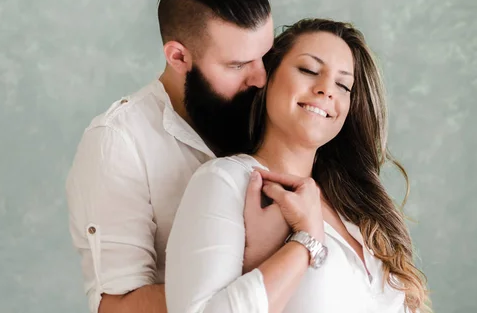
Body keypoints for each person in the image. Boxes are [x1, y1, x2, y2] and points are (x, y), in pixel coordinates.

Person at [165, 18, 431, 313]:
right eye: (309, 70)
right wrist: (305, 242)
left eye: (343, 85)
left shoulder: (357, 210)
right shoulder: (226, 182)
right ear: (269, 77)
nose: (327, 90)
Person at [65, 0, 280, 313]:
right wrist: (261, 272)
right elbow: (117, 307)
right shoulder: (118, 142)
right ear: (179, 56)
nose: (260, 78)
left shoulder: (271, 108)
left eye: (265, 56)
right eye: (237, 65)